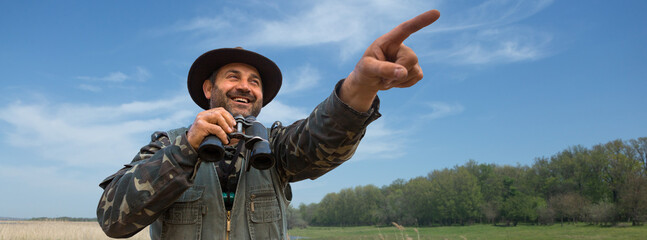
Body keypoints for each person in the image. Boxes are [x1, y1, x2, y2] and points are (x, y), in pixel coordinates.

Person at [97, 9, 440, 240]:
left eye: (255, 81)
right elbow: (114, 219)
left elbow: (321, 141)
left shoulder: (274, 145)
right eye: (233, 76)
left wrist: (360, 86)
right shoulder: (167, 145)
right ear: (208, 89)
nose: (246, 85)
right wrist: (186, 150)